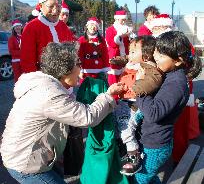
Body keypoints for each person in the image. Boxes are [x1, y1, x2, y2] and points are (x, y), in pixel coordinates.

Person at [0, 42, 126, 184]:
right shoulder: (50, 94)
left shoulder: (43, 83)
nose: (81, 67)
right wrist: (108, 95)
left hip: (26, 153)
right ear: (64, 70)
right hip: (26, 163)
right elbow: (87, 117)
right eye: (78, 63)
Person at [134, 31, 202, 184]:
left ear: (178, 61)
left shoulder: (176, 84)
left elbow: (153, 113)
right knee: (148, 176)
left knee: (141, 177)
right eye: (157, 52)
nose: (156, 57)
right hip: (155, 140)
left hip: (155, 144)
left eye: (162, 55)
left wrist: (141, 87)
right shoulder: (171, 75)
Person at [150, 14, 201, 164]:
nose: (157, 30)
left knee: (178, 130)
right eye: (155, 27)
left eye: (159, 27)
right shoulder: (157, 45)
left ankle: (181, 160)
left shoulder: (177, 44)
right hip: (164, 91)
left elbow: (189, 67)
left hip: (175, 93)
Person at [114, 36, 164, 176]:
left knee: (125, 127)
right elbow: (128, 60)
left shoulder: (149, 68)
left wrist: (138, 86)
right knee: (114, 123)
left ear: (146, 56)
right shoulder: (134, 64)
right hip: (125, 101)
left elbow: (153, 80)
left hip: (135, 103)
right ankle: (123, 148)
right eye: (129, 51)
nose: (130, 55)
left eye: (133, 52)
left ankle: (133, 156)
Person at [20, 0, 75, 73]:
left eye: (58, 6)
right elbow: (27, 61)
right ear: (41, 6)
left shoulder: (63, 26)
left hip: (64, 79)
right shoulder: (31, 27)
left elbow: (71, 52)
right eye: (51, 6)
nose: (55, 10)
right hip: (42, 79)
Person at [78, 17, 110, 81]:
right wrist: (80, 70)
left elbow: (105, 55)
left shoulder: (102, 40)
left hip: (99, 70)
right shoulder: (81, 40)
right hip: (86, 71)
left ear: (97, 28)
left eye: (95, 25)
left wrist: (106, 69)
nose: (93, 27)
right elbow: (79, 56)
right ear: (87, 26)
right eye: (91, 25)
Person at [105, 10, 131, 85]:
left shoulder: (126, 29)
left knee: (124, 78)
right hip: (114, 57)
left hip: (125, 57)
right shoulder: (110, 30)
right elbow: (112, 44)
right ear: (116, 19)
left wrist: (130, 38)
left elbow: (128, 44)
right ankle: (114, 96)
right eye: (122, 20)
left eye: (124, 20)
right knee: (114, 80)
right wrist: (121, 36)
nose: (123, 22)